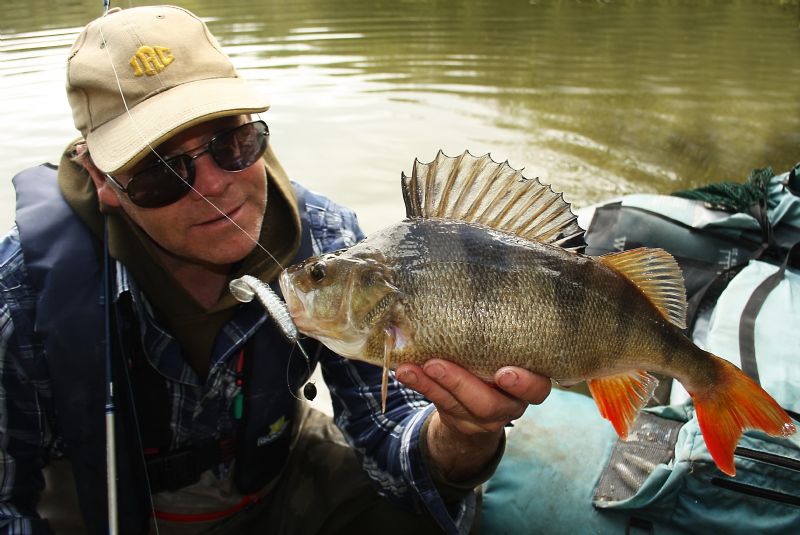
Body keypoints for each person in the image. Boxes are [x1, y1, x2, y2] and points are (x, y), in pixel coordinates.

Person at [0, 5, 551, 534]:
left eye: (233, 142)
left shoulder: (332, 246)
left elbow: (391, 439)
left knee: (426, 515)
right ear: (103, 181)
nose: (215, 185)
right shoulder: (21, 296)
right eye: (162, 171)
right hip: (104, 508)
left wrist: (463, 433)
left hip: (274, 475)